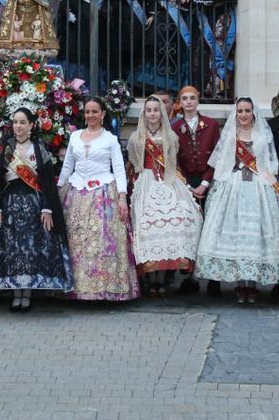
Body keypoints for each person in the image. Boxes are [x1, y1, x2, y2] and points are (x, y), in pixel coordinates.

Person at [196, 98, 279, 303]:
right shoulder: (229, 134)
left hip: (258, 186)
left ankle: (252, 284)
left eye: (247, 110)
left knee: (254, 232)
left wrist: (267, 178)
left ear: (254, 112)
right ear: (235, 113)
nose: (244, 114)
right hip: (234, 185)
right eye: (240, 111)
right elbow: (220, 162)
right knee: (236, 232)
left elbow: (272, 161)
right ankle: (239, 283)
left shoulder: (264, 134)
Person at [0, 108, 73, 311]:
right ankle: (16, 293)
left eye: (22, 122)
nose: (18, 126)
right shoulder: (5, 149)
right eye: (15, 122)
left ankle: (28, 293)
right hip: (10, 203)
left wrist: (47, 208)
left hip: (34, 203)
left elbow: (48, 182)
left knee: (31, 247)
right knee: (13, 248)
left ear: (31, 125)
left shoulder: (40, 150)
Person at [58, 97, 138, 301]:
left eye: (95, 111)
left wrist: (122, 197)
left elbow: (119, 169)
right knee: (77, 241)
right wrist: (58, 189)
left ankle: (103, 288)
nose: (90, 115)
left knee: (101, 240)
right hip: (76, 191)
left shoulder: (110, 139)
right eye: (87, 112)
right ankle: (78, 288)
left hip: (102, 192)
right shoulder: (75, 136)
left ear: (103, 114)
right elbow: (67, 166)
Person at [126, 96, 202, 295]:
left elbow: (173, 161)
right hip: (146, 182)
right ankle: (150, 279)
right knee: (147, 228)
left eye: (156, 110)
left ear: (162, 112)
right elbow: (135, 163)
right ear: (144, 113)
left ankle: (162, 279)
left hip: (168, 181)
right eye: (149, 110)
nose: (152, 113)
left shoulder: (171, 137)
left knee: (178, 220)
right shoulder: (136, 137)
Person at [170, 86, 221, 295]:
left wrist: (205, 183)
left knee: (211, 227)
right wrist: (188, 186)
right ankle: (190, 277)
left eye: (192, 98)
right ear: (180, 103)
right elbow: (172, 158)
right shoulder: (174, 127)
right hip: (186, 181)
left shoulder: (210, 124)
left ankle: (213, 278)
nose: (189, 102)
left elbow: (218, 156)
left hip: (208, 179)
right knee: (189, 229)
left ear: (198, 101)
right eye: (185, 98)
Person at [136, 0, 194, 93]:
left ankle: (174, 88)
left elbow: (190, 6)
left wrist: (179, 0)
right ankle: (155, 85)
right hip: (162, 26)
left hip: (178, 26)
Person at [56, 0, 115, 89]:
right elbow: (67, 0)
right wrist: (68, 13)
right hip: (78, 29)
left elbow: (117, 4)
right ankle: (77, 90)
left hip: (101, 29)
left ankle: (98, 90)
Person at [191, 0, 235, 99]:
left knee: (219, 56)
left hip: (220, 21)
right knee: (209, 56)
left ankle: (221, 91)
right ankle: (211, 90)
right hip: (208, 20)